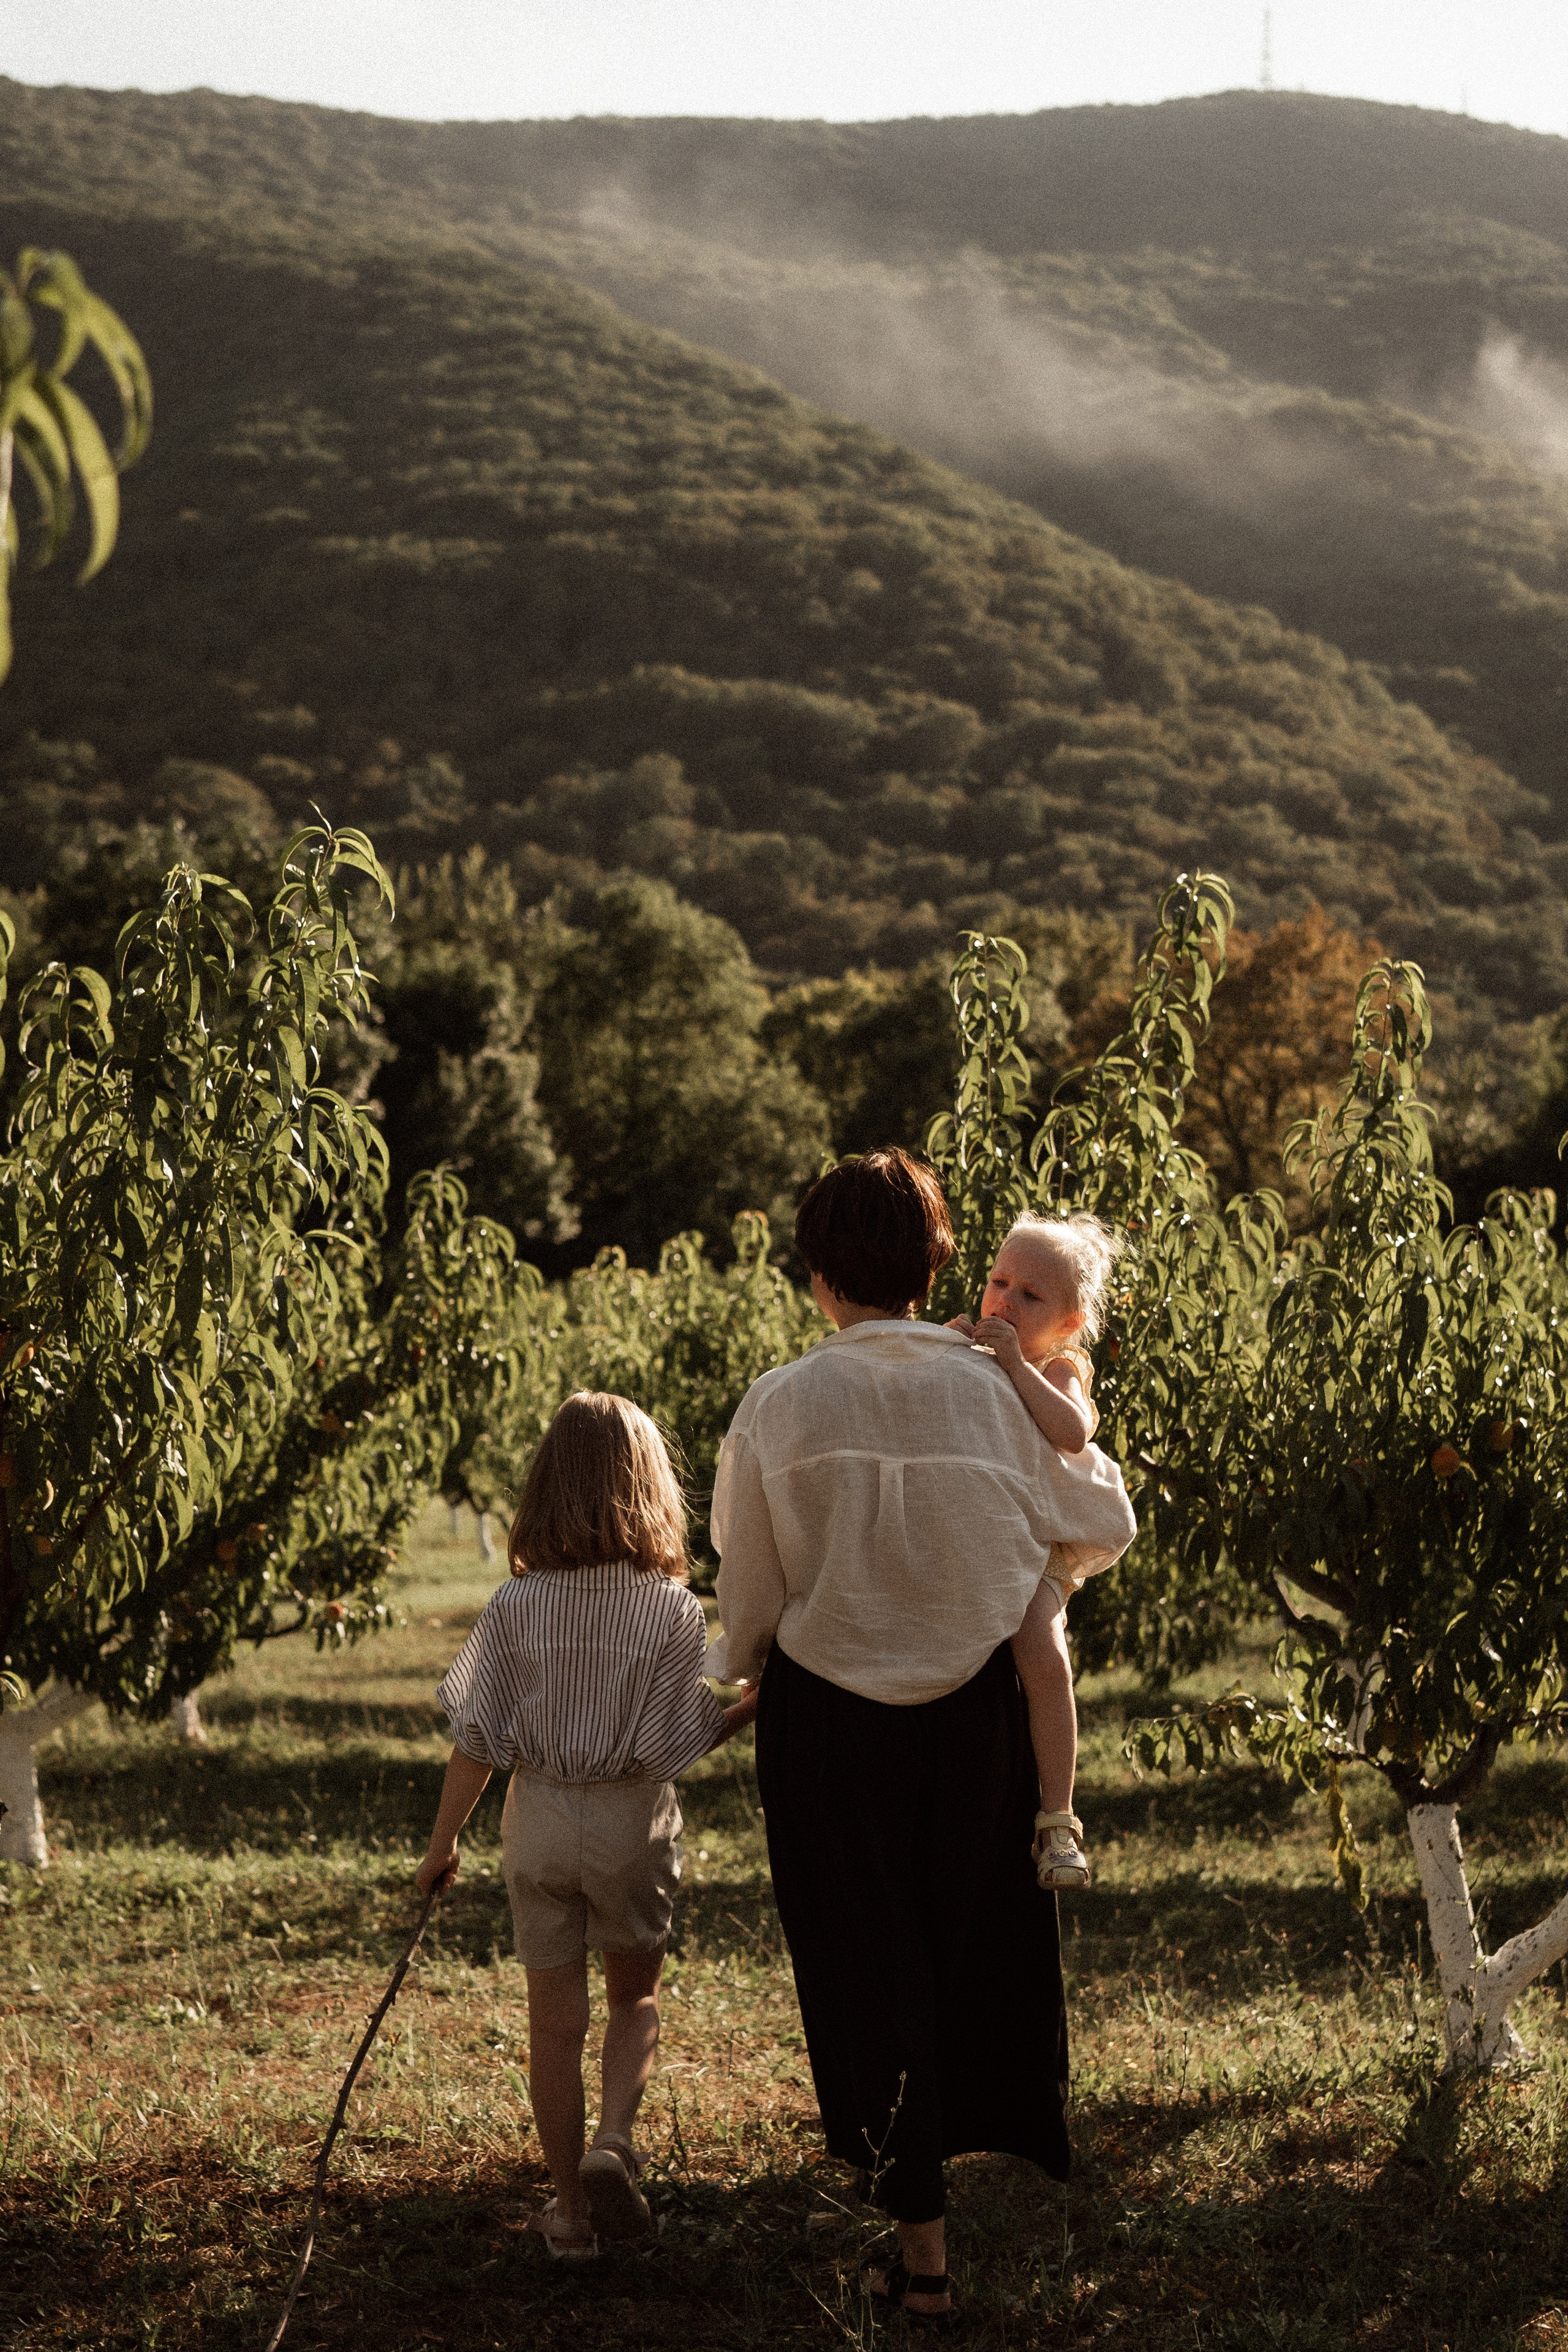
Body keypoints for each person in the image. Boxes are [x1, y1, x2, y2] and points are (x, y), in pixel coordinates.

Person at [707, 1150, 1135, 2323]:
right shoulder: (999, 1389)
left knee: (865, 1968)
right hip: (971, 1728)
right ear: (941, 1262)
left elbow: (748, 1597)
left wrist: (736, 1678)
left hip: (829, 1729)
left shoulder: (780, 1403)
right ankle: (930, 2240)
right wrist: (1016, 1570)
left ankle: (922, 2248)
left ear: (814, 1277)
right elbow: (1103, 1514)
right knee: (958, 1959)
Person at [415, 1391, 756, 2261]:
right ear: (652, 1488)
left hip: (535, 1815)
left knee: (552, 2024)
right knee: (633, 1994)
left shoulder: (513, 1607)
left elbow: (475, 1740)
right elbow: (672, 1744)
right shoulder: (670, 1609)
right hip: (627, 1818)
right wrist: (751, 1707)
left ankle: (568, 2213)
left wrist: (442, 1844)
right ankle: (614, 2141)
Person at [946, 1212, 1127, 1894]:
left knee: (1043, 1654)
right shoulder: (970, 1343)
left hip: (1039, 1546)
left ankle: (1058, 1819)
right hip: (978, 1535)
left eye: (1031, 1296)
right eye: (999, 1282)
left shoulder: (1058, 1365)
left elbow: (1071, 1433)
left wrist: (1014, 1362)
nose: (1004, 1302)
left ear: (1071, 1322)